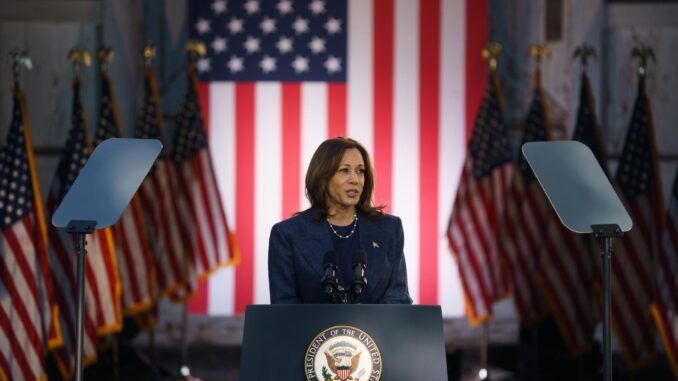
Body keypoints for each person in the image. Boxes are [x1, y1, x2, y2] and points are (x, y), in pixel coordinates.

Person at [268, 137, 412, 304]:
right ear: (322, 176)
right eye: (344, 170)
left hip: (378, 330)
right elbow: (284, 307)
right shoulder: (287, 235)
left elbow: (398, 296)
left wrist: (365, 328)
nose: (355, 179)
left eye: (360, 171)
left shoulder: (389, 229)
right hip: (312, 330)